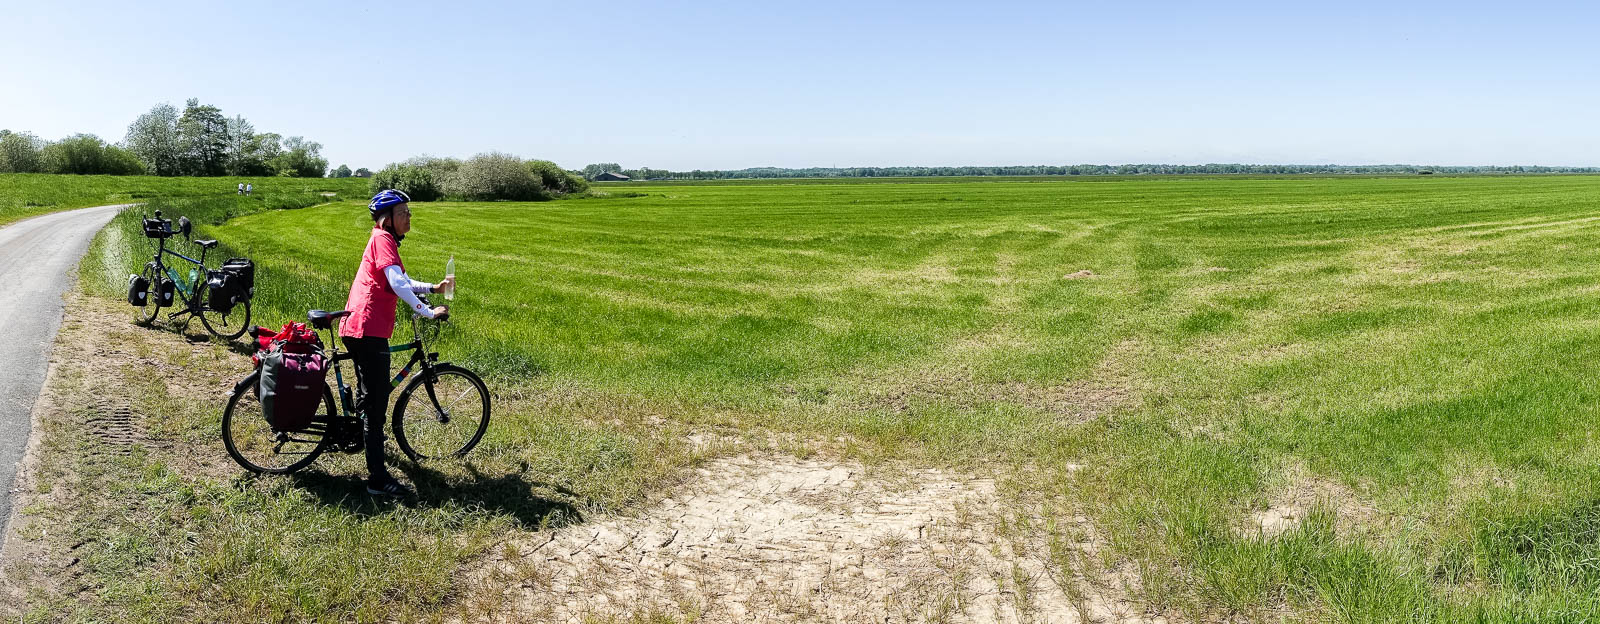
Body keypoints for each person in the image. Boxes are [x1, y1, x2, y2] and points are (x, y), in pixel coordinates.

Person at [339, 189, 452, 497]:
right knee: (377, 408)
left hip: (362, 327)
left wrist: (433, 287)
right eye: (404, 212)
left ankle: (366, 439)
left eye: (409, 212)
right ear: (387, 219)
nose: (409, 217)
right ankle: (377, 479)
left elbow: (401, 278)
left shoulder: (383, 240)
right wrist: (428, 311)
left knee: (370, 395)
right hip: (368, 328)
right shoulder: (382, 239)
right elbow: (397, 283)